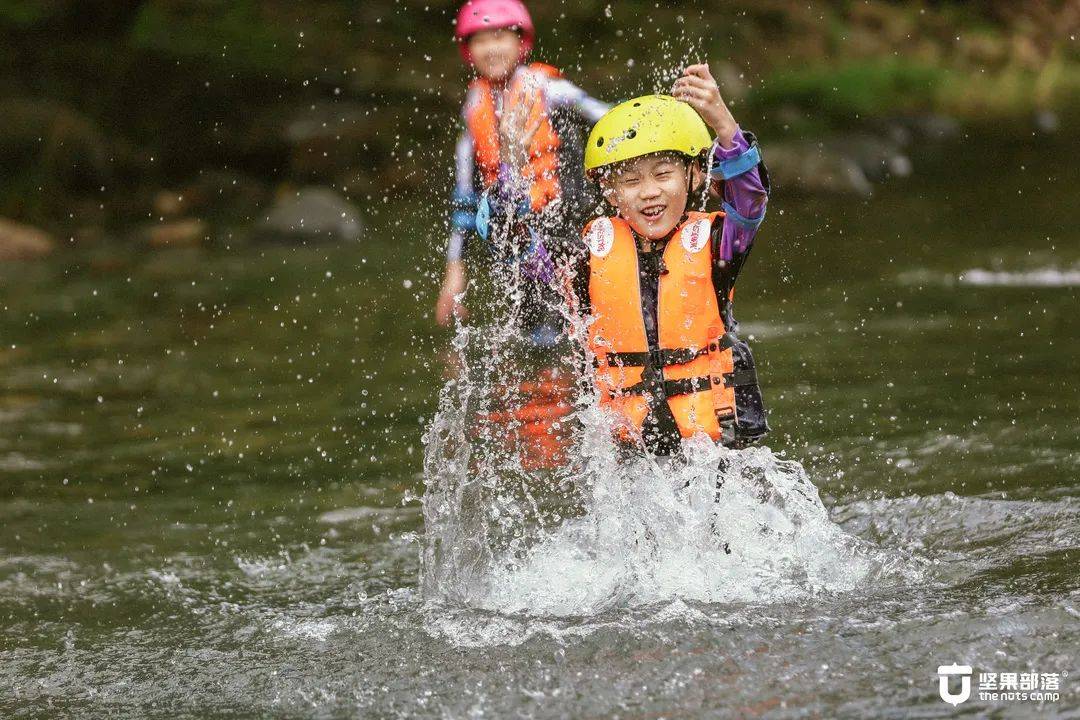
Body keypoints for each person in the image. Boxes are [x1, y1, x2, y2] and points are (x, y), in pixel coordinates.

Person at [565, 64, 771, 456]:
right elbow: (538, 268)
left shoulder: (715, 245)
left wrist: (723, 124)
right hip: (632, 448)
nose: (648, 193)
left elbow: (751, 200)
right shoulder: (590, 254)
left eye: (663, 174)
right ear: (611, 193)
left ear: (694, 175)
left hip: (714, 442)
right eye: (631, 181)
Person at [434, 0, 609, 330]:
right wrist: (454, 271)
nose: (491, 49)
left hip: (562, 228)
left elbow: (609, 118)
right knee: (533, 333)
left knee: (578, 326)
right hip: (514, 238)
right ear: (469, 50)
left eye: (499, 36)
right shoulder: (473, 106)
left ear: (520, 42)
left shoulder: (550, 89)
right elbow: (465, 196)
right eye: (481, 40)